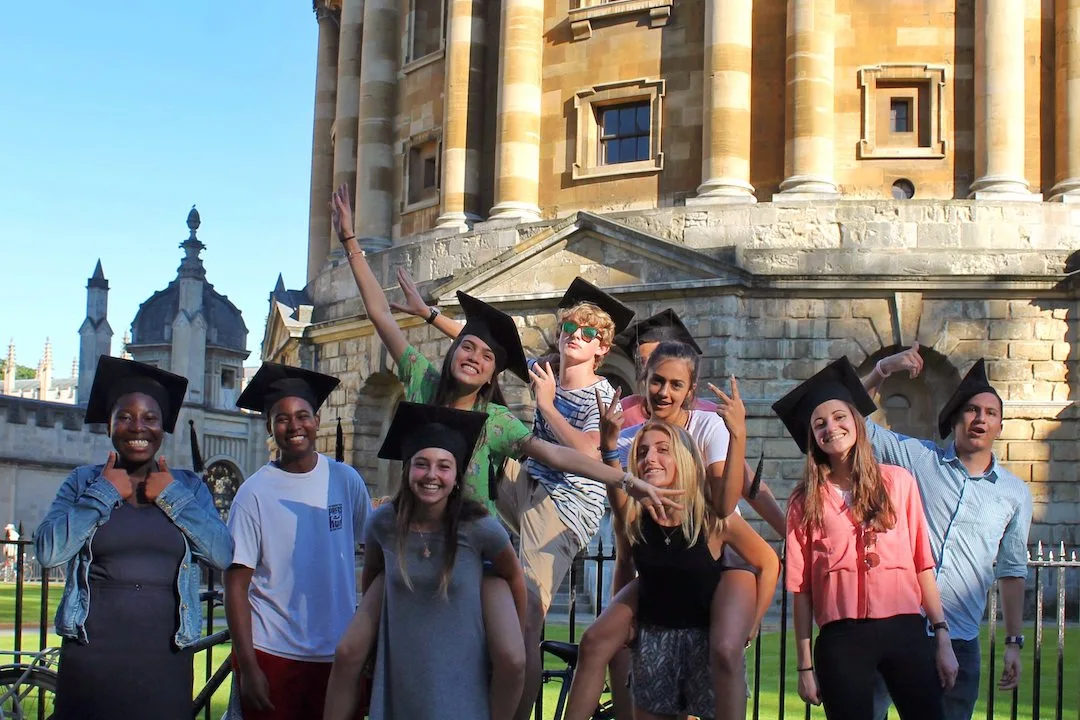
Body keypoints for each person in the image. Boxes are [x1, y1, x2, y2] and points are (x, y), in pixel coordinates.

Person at [328, 184, 681, 720]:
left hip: (535, 513)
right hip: (470, 510)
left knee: (522, 628)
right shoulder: (433, 380)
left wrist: (627, 479)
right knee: (370, 646)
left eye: (586, 332)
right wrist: (356, 244)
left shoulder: (521, 414)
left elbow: (569, 452)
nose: (574, 335)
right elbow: (393, 318)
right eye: (569, 326)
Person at [565, 341, 786, 720]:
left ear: (690, 391)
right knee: (601, 642)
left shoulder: (708, 426)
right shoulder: (633, 443)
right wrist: (608, 447)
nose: (664, 392)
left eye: (675, 384)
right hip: (663, 567)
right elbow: (624, 542)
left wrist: (739, 435)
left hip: (717, 553)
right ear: (644, 381)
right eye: (656, 381)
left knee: (724, 650)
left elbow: (725, 502)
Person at [34, 355, 233, 720]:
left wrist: (171, 495)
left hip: (165, 657)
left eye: (149, 418)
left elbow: (222, 554)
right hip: (91, 656)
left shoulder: (187, 486)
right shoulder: (83, 482)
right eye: (124, 416)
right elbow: (48, 552)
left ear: (162, 427)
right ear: (109, 425)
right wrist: (104, 493)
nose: (137, 427)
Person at [774, 357, 958, 720]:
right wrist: (804, 667)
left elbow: (923, 564)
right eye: (820, 423)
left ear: (856, 421)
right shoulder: (804, 500)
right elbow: (801, 588)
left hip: (904, 629)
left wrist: (942, 636)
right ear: (812, 436)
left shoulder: (899, 483)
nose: (831, 428)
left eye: (840, 417)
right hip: (842, 638)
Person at [864, 346, 1034, 720]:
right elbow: (851, 423)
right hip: (897, 628)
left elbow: (1011, 570)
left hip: (959, 641)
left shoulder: (1014, 493)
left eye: (991, 413)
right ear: (955, 418)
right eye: (972, 409)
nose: (980, 419)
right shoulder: (920, 460)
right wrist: (882, 369)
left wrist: (1013, 644)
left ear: (999, 427)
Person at [355, 402, 528, 719]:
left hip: (462, 634)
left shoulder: (480, 527)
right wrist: (373, 634)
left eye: (444, 466)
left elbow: (514, 576)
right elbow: (373, 574)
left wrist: (514, 630)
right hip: (407, 637)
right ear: (407, 470)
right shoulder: (382, 523)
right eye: (421, 464)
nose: (431, 475)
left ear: (457, 476)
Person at [224, 362, 372, 720]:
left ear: (317, 420)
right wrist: (249, 667)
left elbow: (374, 556)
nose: (294, 426)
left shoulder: (345, 480)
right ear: (270, 427)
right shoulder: (253, 493)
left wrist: (368, 641)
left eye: (303, 415)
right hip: (273, 652)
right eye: (282, 418)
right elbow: (235, 586)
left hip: (337, 654)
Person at [616, 417, 778, 720]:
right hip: (655, 641)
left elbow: (767, 562)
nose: (650, 458)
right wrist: (629, 619)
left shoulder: (713, 517)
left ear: (684, 457)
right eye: (641, 452)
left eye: (662, 450)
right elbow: (624, 565)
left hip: (706, 640)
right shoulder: (633, 519)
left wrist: (753, 622)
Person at [613, 309, 716, 425]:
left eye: (654, 358)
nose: (647, 367)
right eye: (642, 361)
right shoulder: (625, 410)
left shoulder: (709, 414)